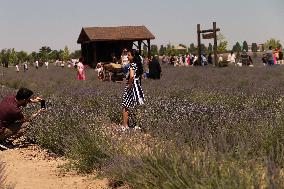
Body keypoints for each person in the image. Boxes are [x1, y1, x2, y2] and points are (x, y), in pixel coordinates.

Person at [121, 49, 144, 131]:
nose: (127, 56)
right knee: (138, 106)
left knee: (125, 105)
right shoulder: (138, 64)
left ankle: (125, 126)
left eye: (129, 55)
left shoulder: (132, 65)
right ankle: (137, 125)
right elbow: (140, 76)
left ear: (133, 56)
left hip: (132, 87)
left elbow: (131, 76)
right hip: (137, 87)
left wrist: (129, 85)